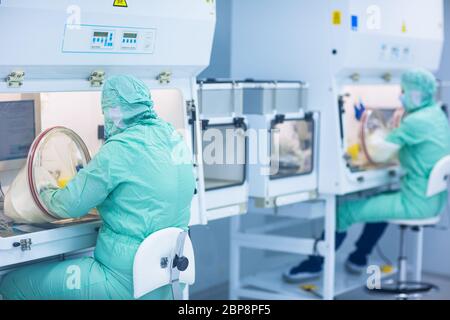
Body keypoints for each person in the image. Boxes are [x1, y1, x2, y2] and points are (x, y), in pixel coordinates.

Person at [0, 75, 196, 300]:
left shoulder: (120, 148)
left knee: (14, 283)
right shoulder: (172, 136)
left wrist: (44, 192)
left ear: (114, 111)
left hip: (119, 280)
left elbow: (70, 205)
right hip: (165, 282)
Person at [284, 68, 450, 282]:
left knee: (343, 212)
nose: (400, 96)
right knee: (378, 202)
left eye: (403, 91)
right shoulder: (436, 115)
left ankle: (315, 264)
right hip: (432, 201)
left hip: (415, 203)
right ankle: (358, 258)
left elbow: (379, 151)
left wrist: (367, 123)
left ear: (415, 95)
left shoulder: (417, 121)